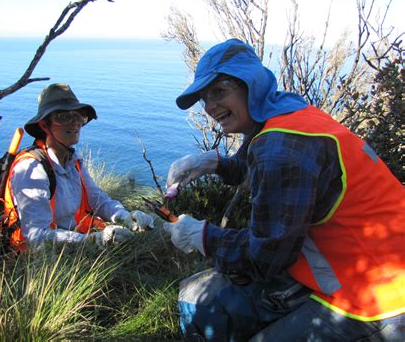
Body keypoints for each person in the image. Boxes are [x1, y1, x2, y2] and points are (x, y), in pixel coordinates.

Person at [163, 39, 404, 341]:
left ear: (251, 84)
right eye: (204, 97)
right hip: (359, 264)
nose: (210, 107)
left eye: (219, 91)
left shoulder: (281, 147)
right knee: (212, 299)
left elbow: (266, 257)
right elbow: (259, 171)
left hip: (380, 295)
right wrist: (213, 164)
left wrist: (202, 236)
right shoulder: (290, 114)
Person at [4, 83, 154, 251]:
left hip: (76, 244)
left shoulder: (73, 160)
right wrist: (91, 240)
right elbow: (36, 237)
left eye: (78, 116)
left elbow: (98, 200)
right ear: (44, 125)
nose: (74, 123)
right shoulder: (31, 169)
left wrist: (126, 217)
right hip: (41, 262)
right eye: (63, 116)